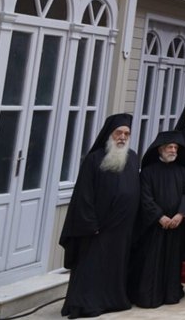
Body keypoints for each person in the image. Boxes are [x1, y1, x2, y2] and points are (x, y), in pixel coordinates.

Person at [60, 114, 140, 318]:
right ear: (109, 135)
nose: (122, 137)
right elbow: (83, 195)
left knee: (116, 266)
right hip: (97, 227)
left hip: (122, 228)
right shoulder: (94, 159)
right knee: (91, 266)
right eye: (118, 133)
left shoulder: (132, 157)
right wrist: (90, 223)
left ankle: (114, 301)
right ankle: (86, 305)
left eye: (126, 134)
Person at [128, 131, 185, 309]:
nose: (173, 150)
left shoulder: (182, 172)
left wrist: (180, 214)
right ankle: (150, 296)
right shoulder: (148, 173)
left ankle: (170, 294)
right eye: (169, 147)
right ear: (160, 150)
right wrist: (160, 217)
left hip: (176, 226)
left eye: (175, 148)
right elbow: (145, 198)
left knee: (172, 262)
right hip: (154, 227)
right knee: (151, 262)